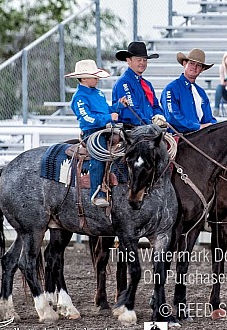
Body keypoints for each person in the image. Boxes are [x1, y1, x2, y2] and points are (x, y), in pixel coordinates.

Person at [66, 59, 123, 208]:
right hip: (91, 133)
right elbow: (88, 118)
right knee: (99, 155)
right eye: (94, 76)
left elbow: (106, 110)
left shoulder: (98, 93)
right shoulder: (79, 97)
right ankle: (97, 192)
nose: (97, 79)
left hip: (105, 129)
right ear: (84, 78)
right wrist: (108, 118)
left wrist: (118, 106)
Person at [161, 48, 217, 134]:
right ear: (184, 64)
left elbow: (208, 118)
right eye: (191, 63)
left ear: (201, 70)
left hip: (200, 136)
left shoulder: (201, 92)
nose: (194, 67)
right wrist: (198, 127)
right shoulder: (171, 88)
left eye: (198, 65)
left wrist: (215, 126)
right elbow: (172, 117)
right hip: (180, 137)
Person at [112, 41, 166, 127]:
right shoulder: (123, 83)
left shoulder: (147, 84)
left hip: (149, 128)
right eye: (139, 60)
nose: (142, 63)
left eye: (145, 60)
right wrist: (149, 123)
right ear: (128, 61)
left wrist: (159, 116)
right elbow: (130, 111)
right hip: (132, 130)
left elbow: (155, 106)